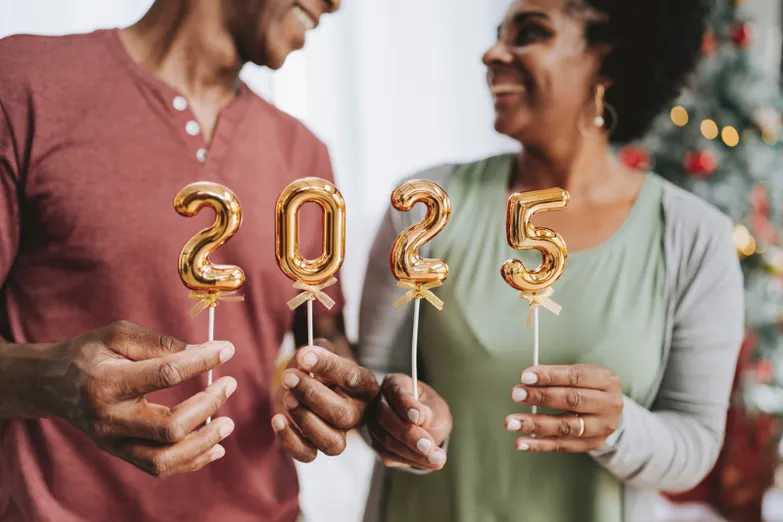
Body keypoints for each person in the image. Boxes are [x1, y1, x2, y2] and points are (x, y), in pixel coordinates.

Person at [0, 1, 453, 521]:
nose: (336, 3)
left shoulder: (304, 155)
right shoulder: (23, 82)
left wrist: (360, 406)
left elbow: (319, 339)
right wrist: (49, 379)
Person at [358, 1, 744, 521]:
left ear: (608, 59)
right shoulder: (426, 205)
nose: (492, 53)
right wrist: (401, 420)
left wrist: (618, 426)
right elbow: (369, 390)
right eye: (498, 34)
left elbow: (695, 445)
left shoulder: (694, 238)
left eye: (531, 33)